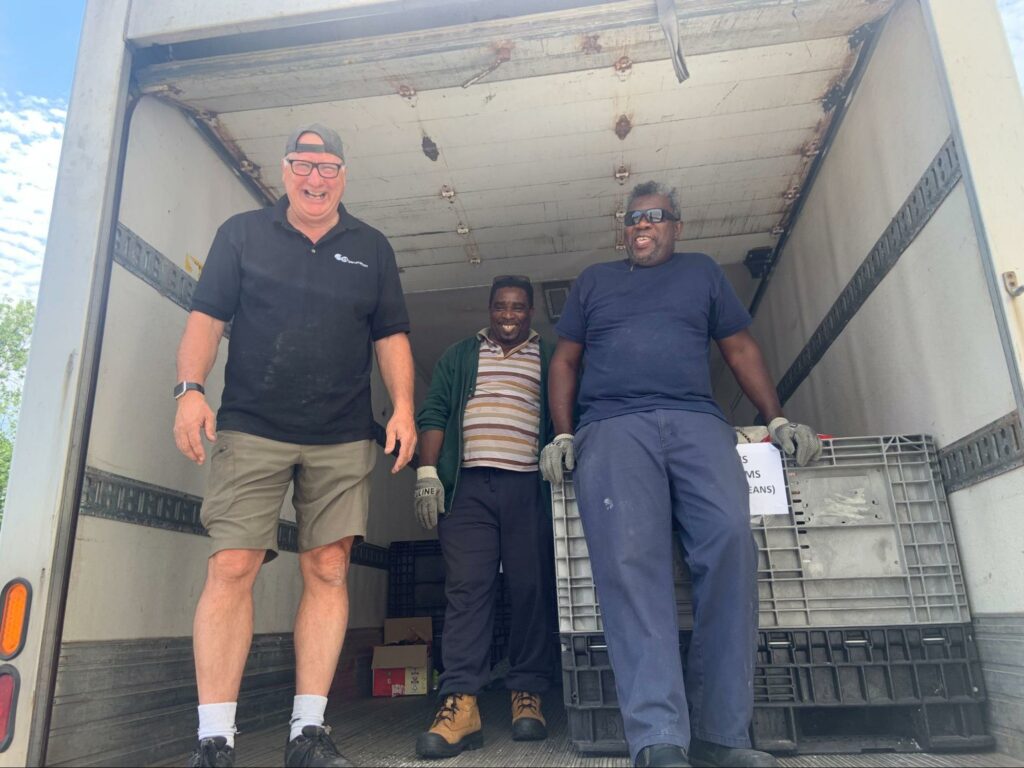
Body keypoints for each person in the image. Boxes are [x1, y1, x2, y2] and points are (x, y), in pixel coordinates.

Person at [540, 182, 822, 768]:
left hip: (696, 422)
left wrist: (777, 417)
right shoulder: (594, 281)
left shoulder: (703, 273)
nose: (642, 225)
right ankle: (659, 739)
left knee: (729, 545)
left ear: (677, 225)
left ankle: (723, 735)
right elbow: (565, 359)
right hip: (614, 427)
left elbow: (740, 349)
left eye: (655, 217)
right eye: (633, 218)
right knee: (630, 564)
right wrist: (564, 432)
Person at [173, 123, 416, 768]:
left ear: (344, 174)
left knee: (330, 569)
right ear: (283, 170)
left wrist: (406, 410)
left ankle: (308, 733)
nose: (315, 178)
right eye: (303, 165)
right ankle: (215, 739)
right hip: (251, 427)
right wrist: (190, 389)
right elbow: (206, 316)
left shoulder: (372, 247)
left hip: (341, 436)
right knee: (231, 566)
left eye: (328, 166)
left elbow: (390, 335)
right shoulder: (242, 235)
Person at [412, 275, 557, 759]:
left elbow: (564, 413)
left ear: (531, 310)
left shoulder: (551, 357)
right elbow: (433, 412)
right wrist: (429, 471)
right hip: (469, 488)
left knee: (530, 587)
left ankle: (527, 694)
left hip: (528, 488)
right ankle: (461, 702)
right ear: (489, 308)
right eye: (500, 306)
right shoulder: (459, 355)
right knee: (467, 591)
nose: (509, 315)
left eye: (518, 307)